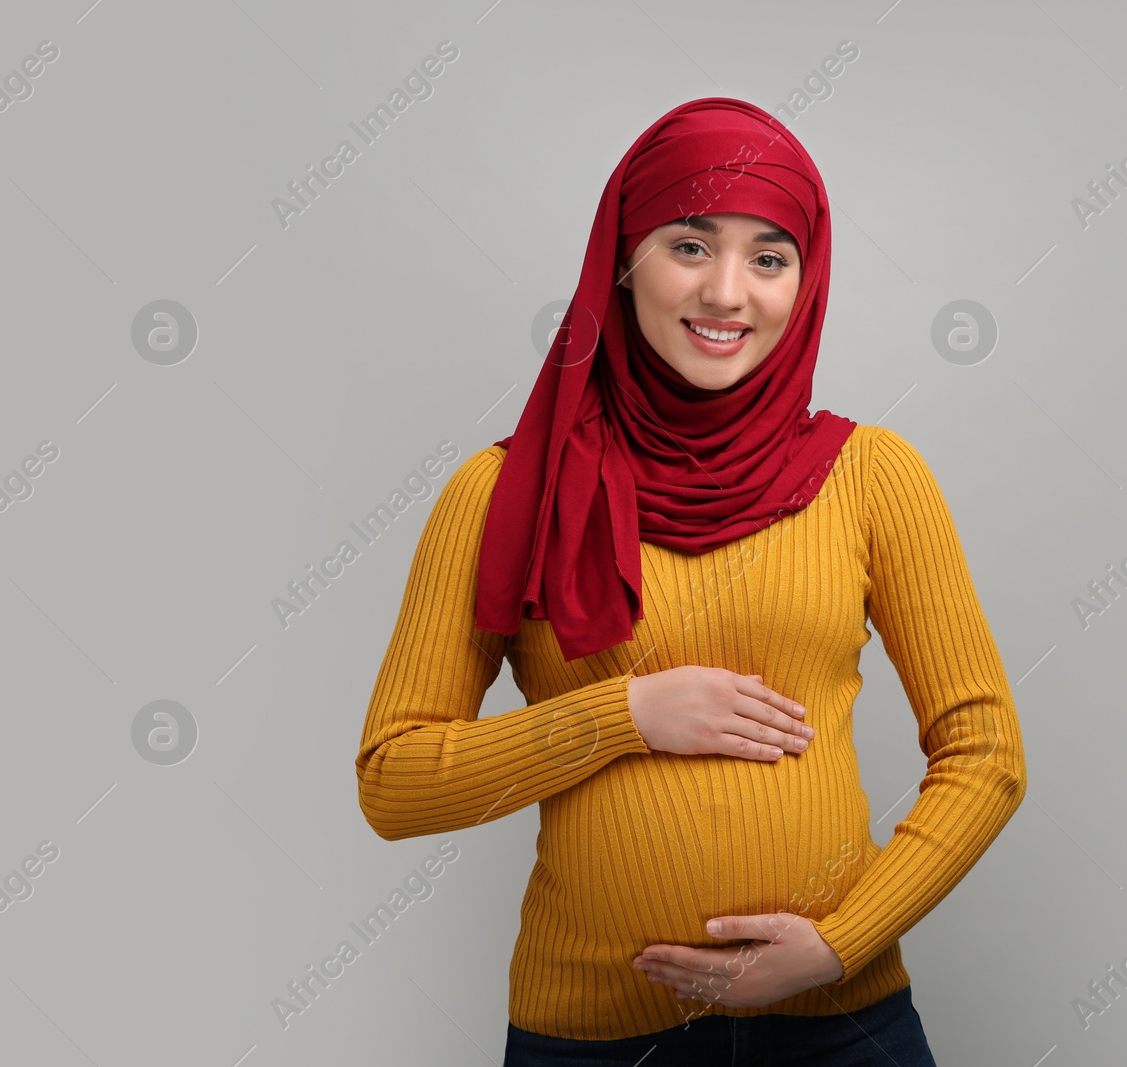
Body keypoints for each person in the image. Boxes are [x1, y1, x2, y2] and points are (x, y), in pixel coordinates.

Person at [355, 97, 1026, 1066]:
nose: (726, 292)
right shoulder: (506, 489)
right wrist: (622, 713)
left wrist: (837, 945)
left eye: (768, 256)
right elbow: (395, 779)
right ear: (622, 260)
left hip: (840, 1023)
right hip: (591, 1035)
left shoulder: (873, 475)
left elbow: (986, 750)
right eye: (689, 244)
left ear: (806, 280)